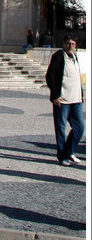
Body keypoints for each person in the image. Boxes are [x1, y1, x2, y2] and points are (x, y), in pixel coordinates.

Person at [45, 34, 84, 166]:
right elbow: (50, 76)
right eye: (68, 43)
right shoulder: (58, 56)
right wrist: (55, 95)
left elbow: (76, 77)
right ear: (63, 43)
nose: (71, 46)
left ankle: (69, 151)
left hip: (76, 98)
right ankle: (62, 156)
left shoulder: (75, 57)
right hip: (63, 99)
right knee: (61, 128)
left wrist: (81, 93)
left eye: (73, 44)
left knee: (79, 127)